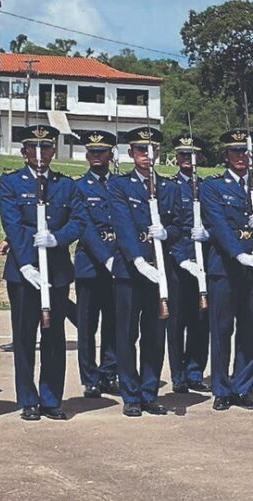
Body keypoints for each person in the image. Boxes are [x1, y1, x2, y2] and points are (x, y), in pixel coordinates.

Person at [0, 124, 83, 421]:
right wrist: (25, 264)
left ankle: (51, 399)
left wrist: (57, 238)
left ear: (53, 151)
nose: (40, 153)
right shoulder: (11, 182)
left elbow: (78, 220)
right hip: (23, 273)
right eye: (33, 148)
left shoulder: (65, 185)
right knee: (24, 337)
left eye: (46, 147)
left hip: (57, 270)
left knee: (54, 337)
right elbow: (12, 224)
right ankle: (28, 399)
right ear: (24, 152)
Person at [109, 127, 184, 417]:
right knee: (126, 334)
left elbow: (179, 225)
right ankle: (130, 394)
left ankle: (149, 392)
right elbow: (123, 225)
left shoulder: (169, 188)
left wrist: (166, 232)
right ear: (131, 153)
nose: (146, 155)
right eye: (141, 150)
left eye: (151, 149)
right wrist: (139, 259)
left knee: (155, 334)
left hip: (161, 271)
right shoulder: (120, 185)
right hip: (131, 271)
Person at [201, 129, 253, 411]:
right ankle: (221, 388)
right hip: (225, 267)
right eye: (235, 152)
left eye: (244, 152)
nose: (241, 157)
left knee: (251, 330)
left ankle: (243, 387)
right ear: (225, 156)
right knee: (221, 331)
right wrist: (239, 253)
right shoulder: (213, 187)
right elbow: (218, 224)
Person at [72, 130, 120, 398]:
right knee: (87, 325)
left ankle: (109, 373)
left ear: (111, 155)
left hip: (118, 263)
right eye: (92, 152)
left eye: (101, 152)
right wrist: (105, 257)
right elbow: (85, 227)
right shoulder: (79, 187)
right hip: (90, 264)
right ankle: (89, 377)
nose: (96, 156)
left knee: (113, 323)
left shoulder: (120, 185)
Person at [168, 132, 212, 394]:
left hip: (203, 261)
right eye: (184, 154)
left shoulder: (206, 187)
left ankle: (195, 371)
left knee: (200, 319)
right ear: (176, 157)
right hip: (178, 262)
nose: (188, 159)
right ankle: (178, 374)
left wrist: (206, 235)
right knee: (177, 321)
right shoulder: (170, 187)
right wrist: (182, 258)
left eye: (193, 155)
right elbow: (171, 226)